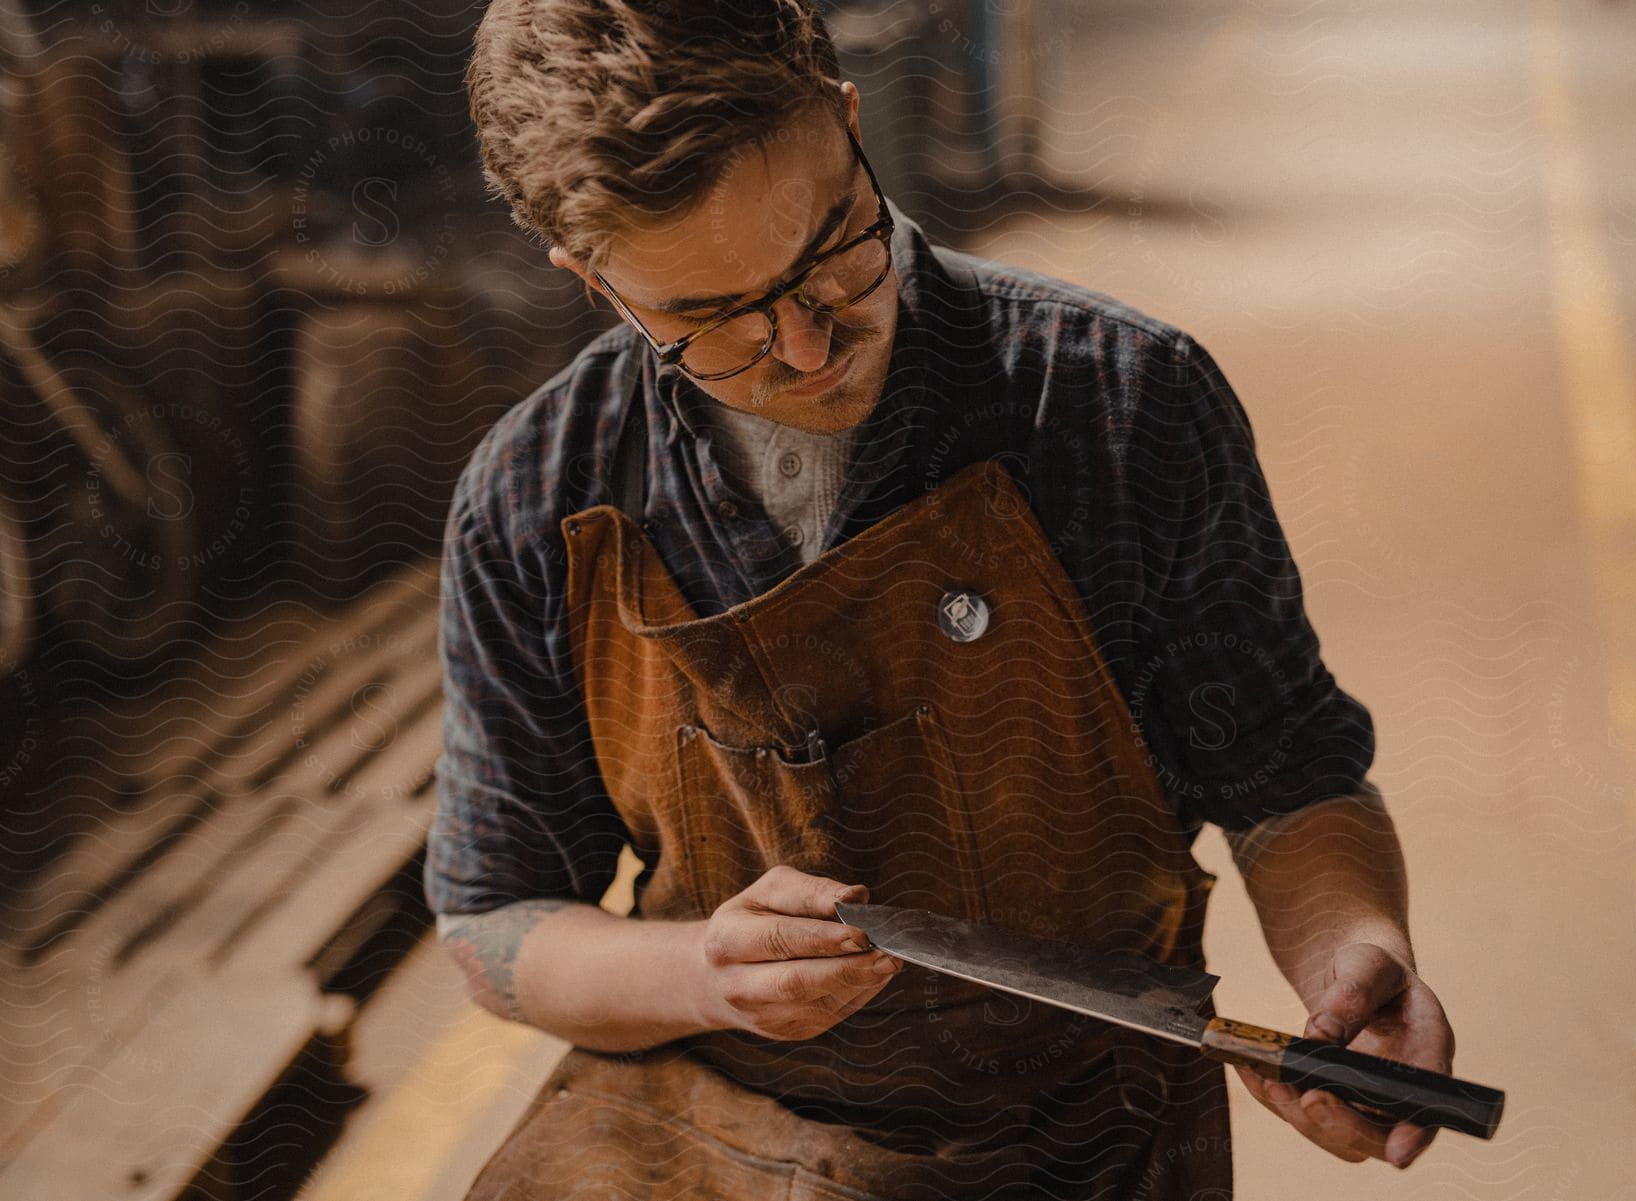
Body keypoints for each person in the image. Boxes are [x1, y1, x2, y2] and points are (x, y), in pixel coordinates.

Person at [425, 1, 1456, 1196]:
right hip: (707, 1133)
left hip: (1080, 1134)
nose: (809, 349)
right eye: (711, 323)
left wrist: (1354, 959)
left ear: (853, 124)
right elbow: (499, 921)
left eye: (833, 254)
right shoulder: (537, 493)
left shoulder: (1123, 403)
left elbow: (1288, 776)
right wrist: (701, 977)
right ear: (590, 278)